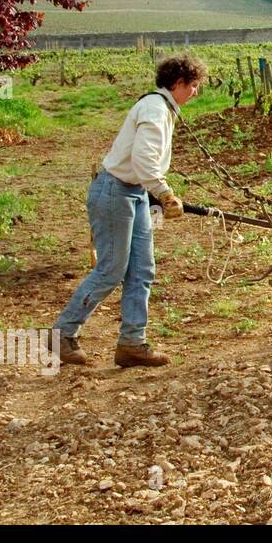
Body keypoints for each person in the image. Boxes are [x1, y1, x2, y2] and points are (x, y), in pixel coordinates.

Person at [53, 53, 207, 367]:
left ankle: (132, 343)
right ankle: (62, 334)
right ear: (177, 83)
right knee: (111, 270)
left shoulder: (162, 108)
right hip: (115, 192)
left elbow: (144, 166)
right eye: (193, 86)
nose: (195, 92)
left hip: (133, 193)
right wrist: (165, 194)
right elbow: (144, 160)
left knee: (142, 270)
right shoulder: (154, 108)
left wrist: (153, 193)